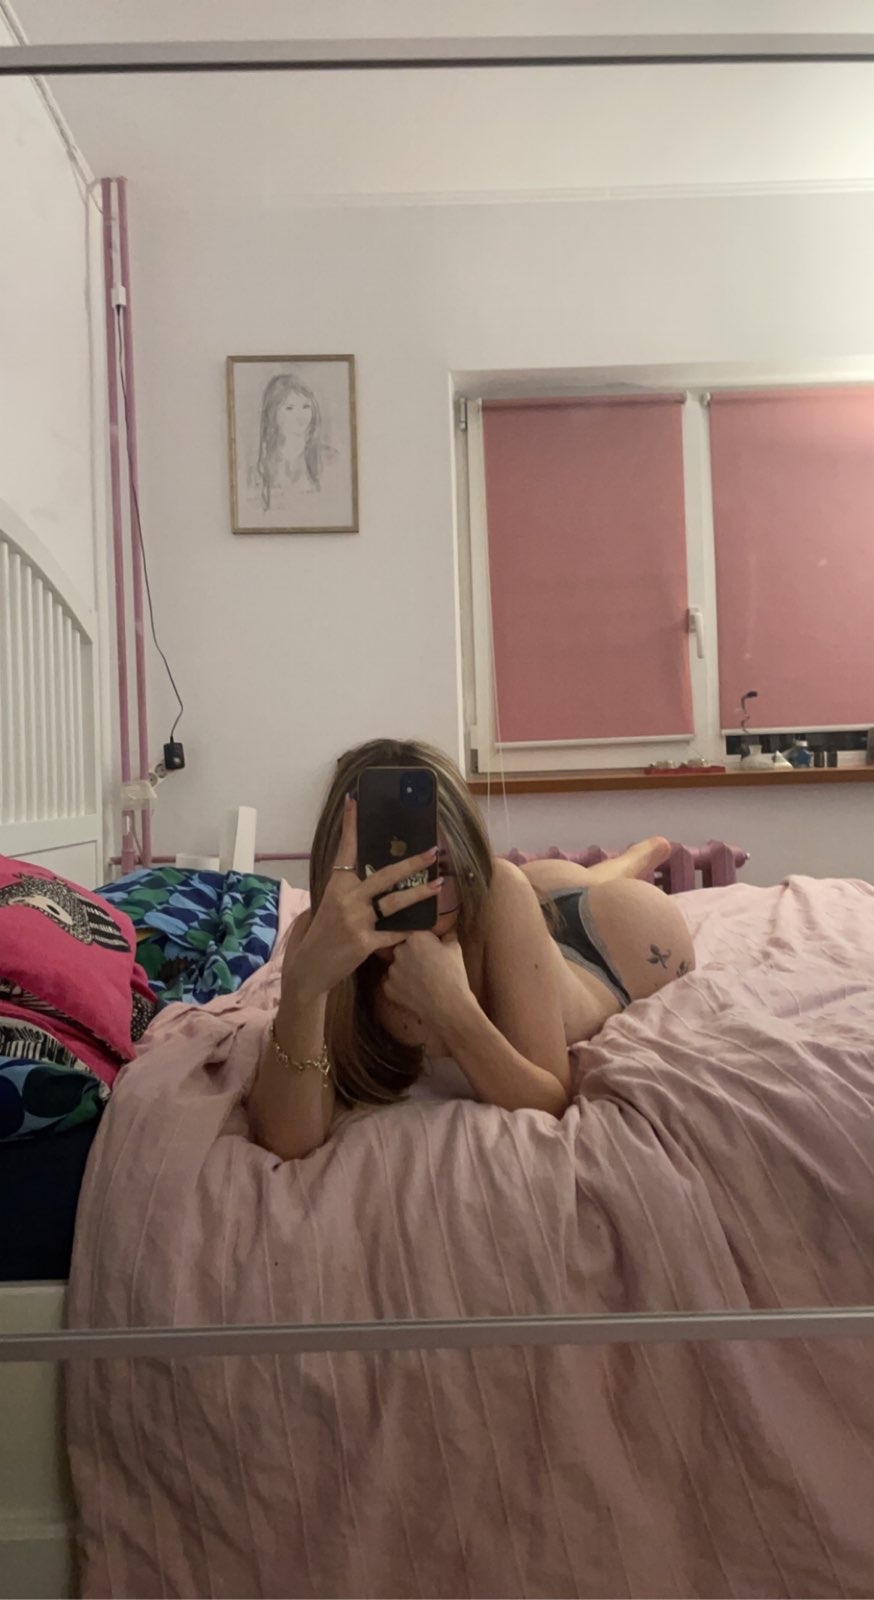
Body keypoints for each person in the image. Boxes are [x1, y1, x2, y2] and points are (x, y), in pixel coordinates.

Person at [248, 739, 694, 1161]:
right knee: (544, 885)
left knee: (573, 886)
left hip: (607, 947)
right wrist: (304, 988)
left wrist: (451, 1007)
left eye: (437, 868)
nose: (406, 893)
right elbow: (289, 1141)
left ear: (467, 863)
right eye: (383, 870)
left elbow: (548, 1102)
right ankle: (611, 868)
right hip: (527, 914)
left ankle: (636, 858)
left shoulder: (497, 892)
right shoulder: (318, 936)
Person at [254, 371, 336, 511]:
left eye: (306, 406)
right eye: (289, 408)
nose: (300, 415)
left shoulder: (329, 458)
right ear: (273, 413)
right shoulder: (262, 462)